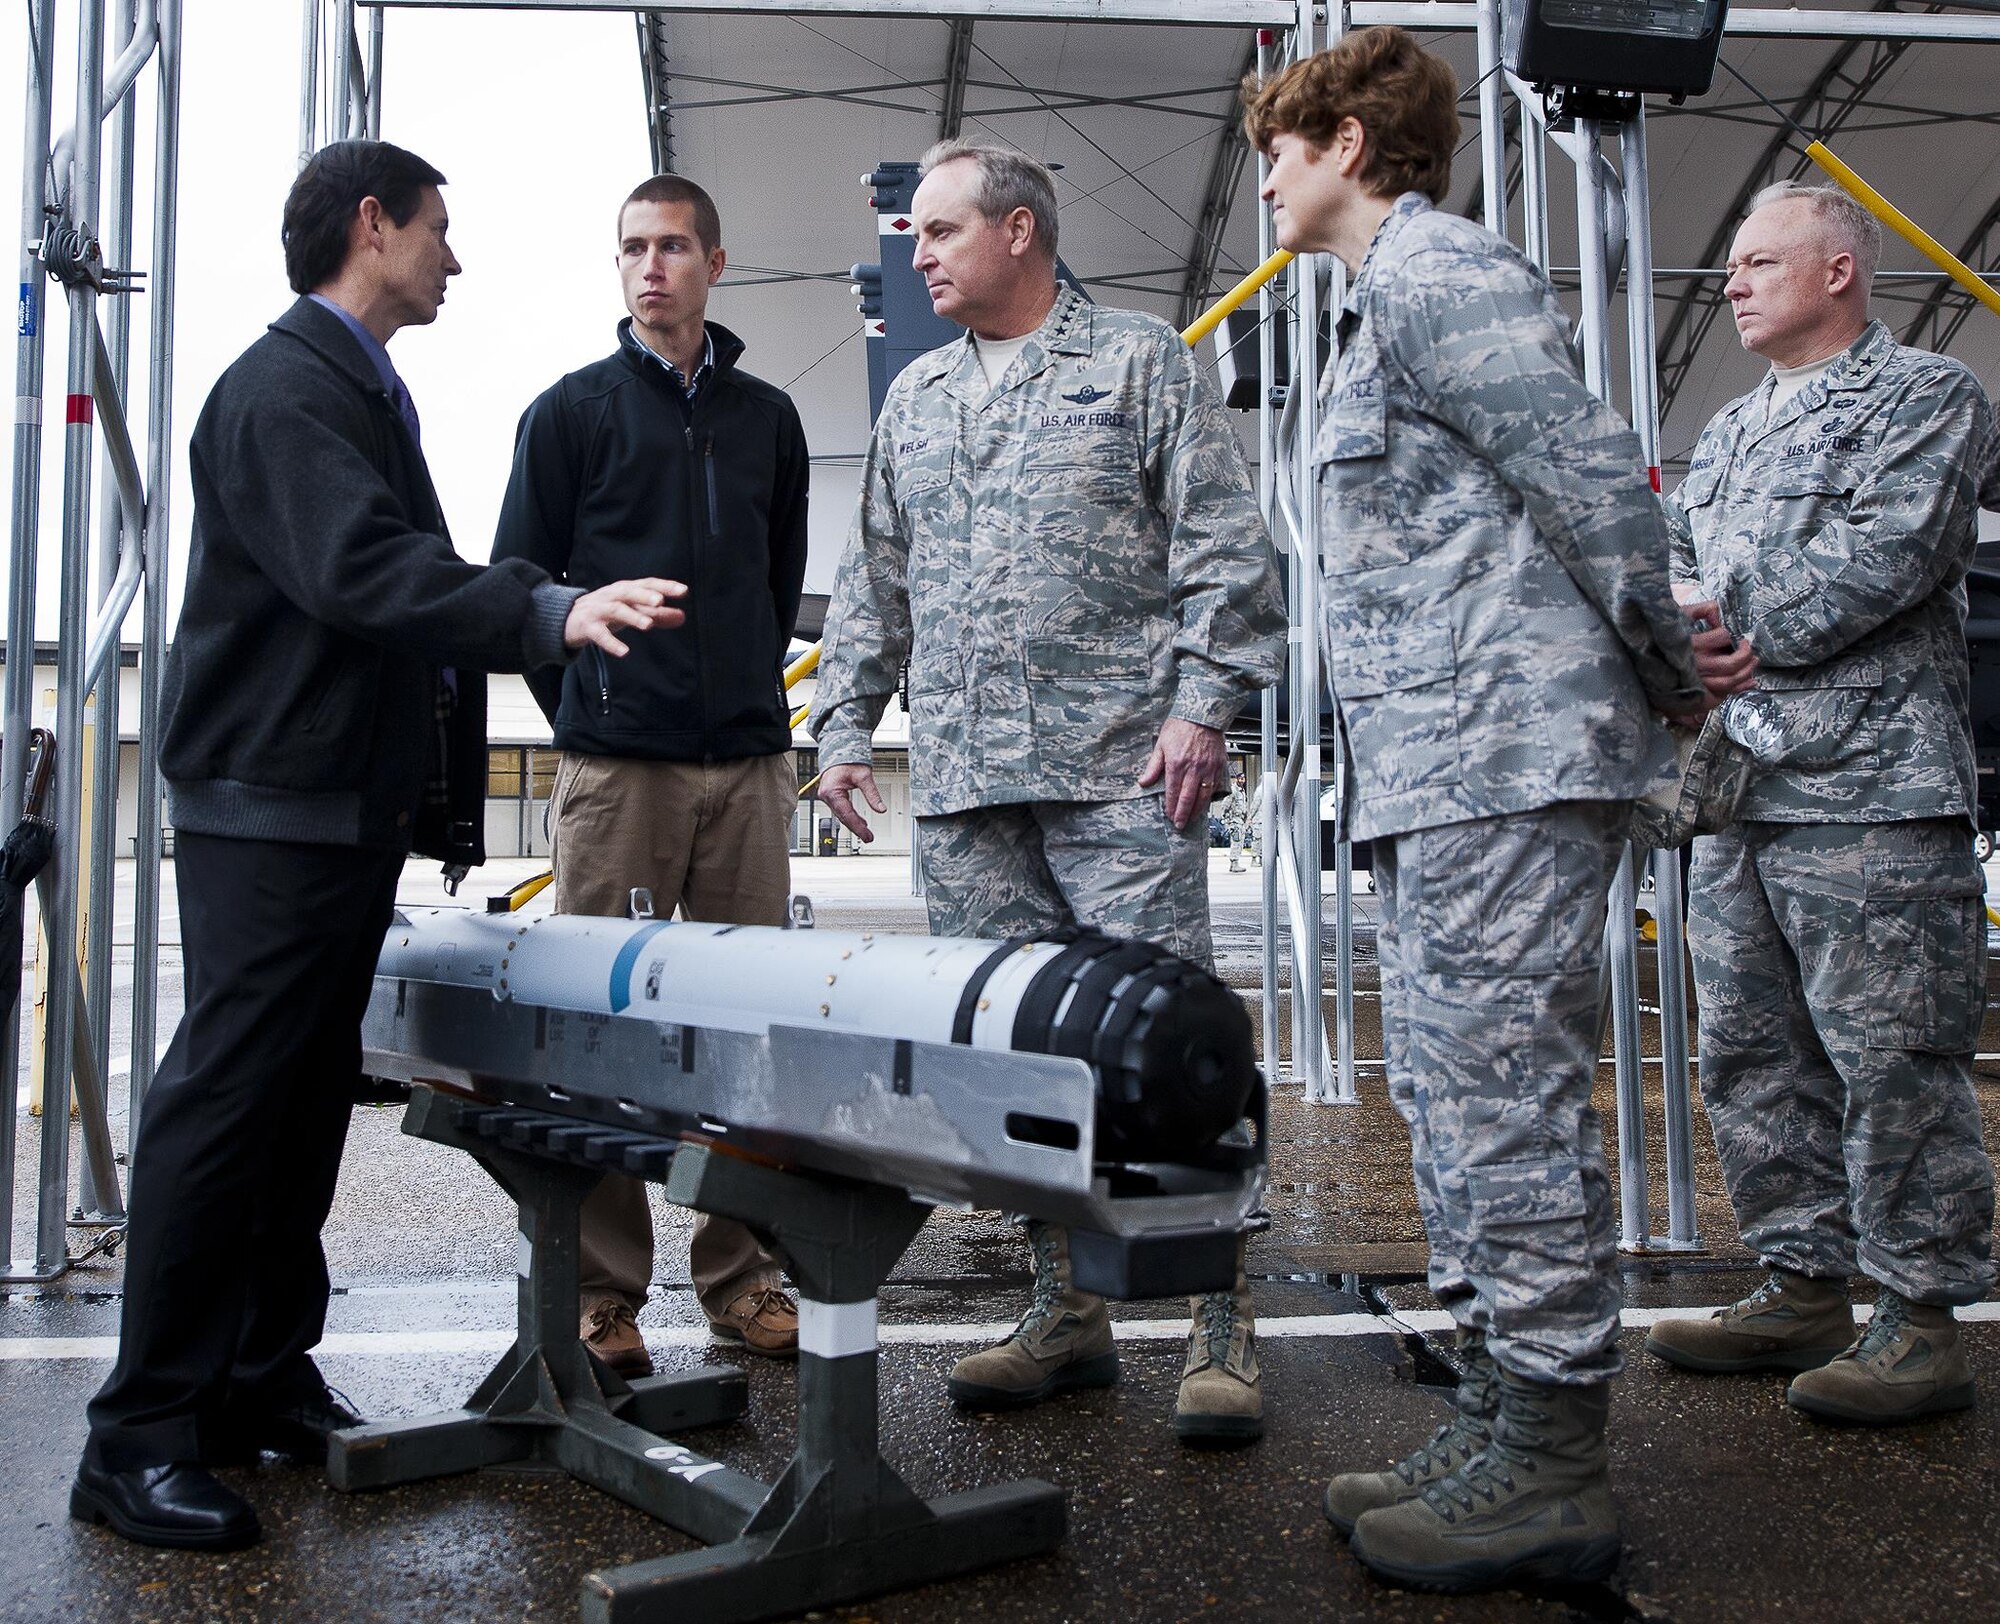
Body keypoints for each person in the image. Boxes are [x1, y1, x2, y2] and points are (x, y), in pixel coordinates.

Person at [71, 140, 685, 1552]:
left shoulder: (348, 387)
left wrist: (537, 607)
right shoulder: (288, 388)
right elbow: (365, 572)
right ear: (373, 224)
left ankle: (256, 1376)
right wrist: (543, 612)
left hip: (325, 811)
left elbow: (392, 574)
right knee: (225, 1108)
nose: (452, 258)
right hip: (268, 809)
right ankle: (138, 1433)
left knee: (293, 1112)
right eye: (438, 231)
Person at [1246, 27, 1735, 1590]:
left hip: (1507, 748)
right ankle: (1511, 1406)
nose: (1265, 171)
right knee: (1462, 1095)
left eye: (1282, 140)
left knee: (1505, 1094)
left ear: (1346, 140)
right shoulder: (1377, 303)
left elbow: (1588, 470)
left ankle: (1554, 1462)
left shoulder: (1439, 273)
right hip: (1446, 763)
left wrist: (1671, 663)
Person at [807, 138, 1286, 1444]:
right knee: (1011, 1051)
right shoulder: (916, 400)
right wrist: (844, 721)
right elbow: (875, 578)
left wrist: (1202, 705)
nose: (920, 254)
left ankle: (1218, 1318)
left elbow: (1226, 549)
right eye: (914, 237)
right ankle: (1063, 1308)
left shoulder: (1136, 361)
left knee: (1174, 1051)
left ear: (1020, 232)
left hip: (1120, 772)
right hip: (967, 786)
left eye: (940, 232)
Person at [1647, 182, 1998, 1423]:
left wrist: (1722, 633)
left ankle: (1917, 1313)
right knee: (1750, 1051)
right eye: (1730, 264)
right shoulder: (1734, 428)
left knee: (1890, 1056)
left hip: (1868, 787)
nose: (1728, 282)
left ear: (1837, 271)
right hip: (1741, 785)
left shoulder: (1926, 398)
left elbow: (1886, 555)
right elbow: (1671, 564)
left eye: (1755, 261)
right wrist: (1678, 643)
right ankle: (1798, 1278)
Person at [493, 174, 811, 1375]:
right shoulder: (569, 413)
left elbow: (776, 589)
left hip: (744, 770)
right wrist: (590, 716)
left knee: (743, 1039)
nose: (651, 266)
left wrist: (736, 701)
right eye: (632, 248)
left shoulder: (767, 419)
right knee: (602, 1040)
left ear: (713, 263)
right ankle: (601, 1298)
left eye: (673, 245)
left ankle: (739, 1279)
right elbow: (521, 593)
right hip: (617, 775)